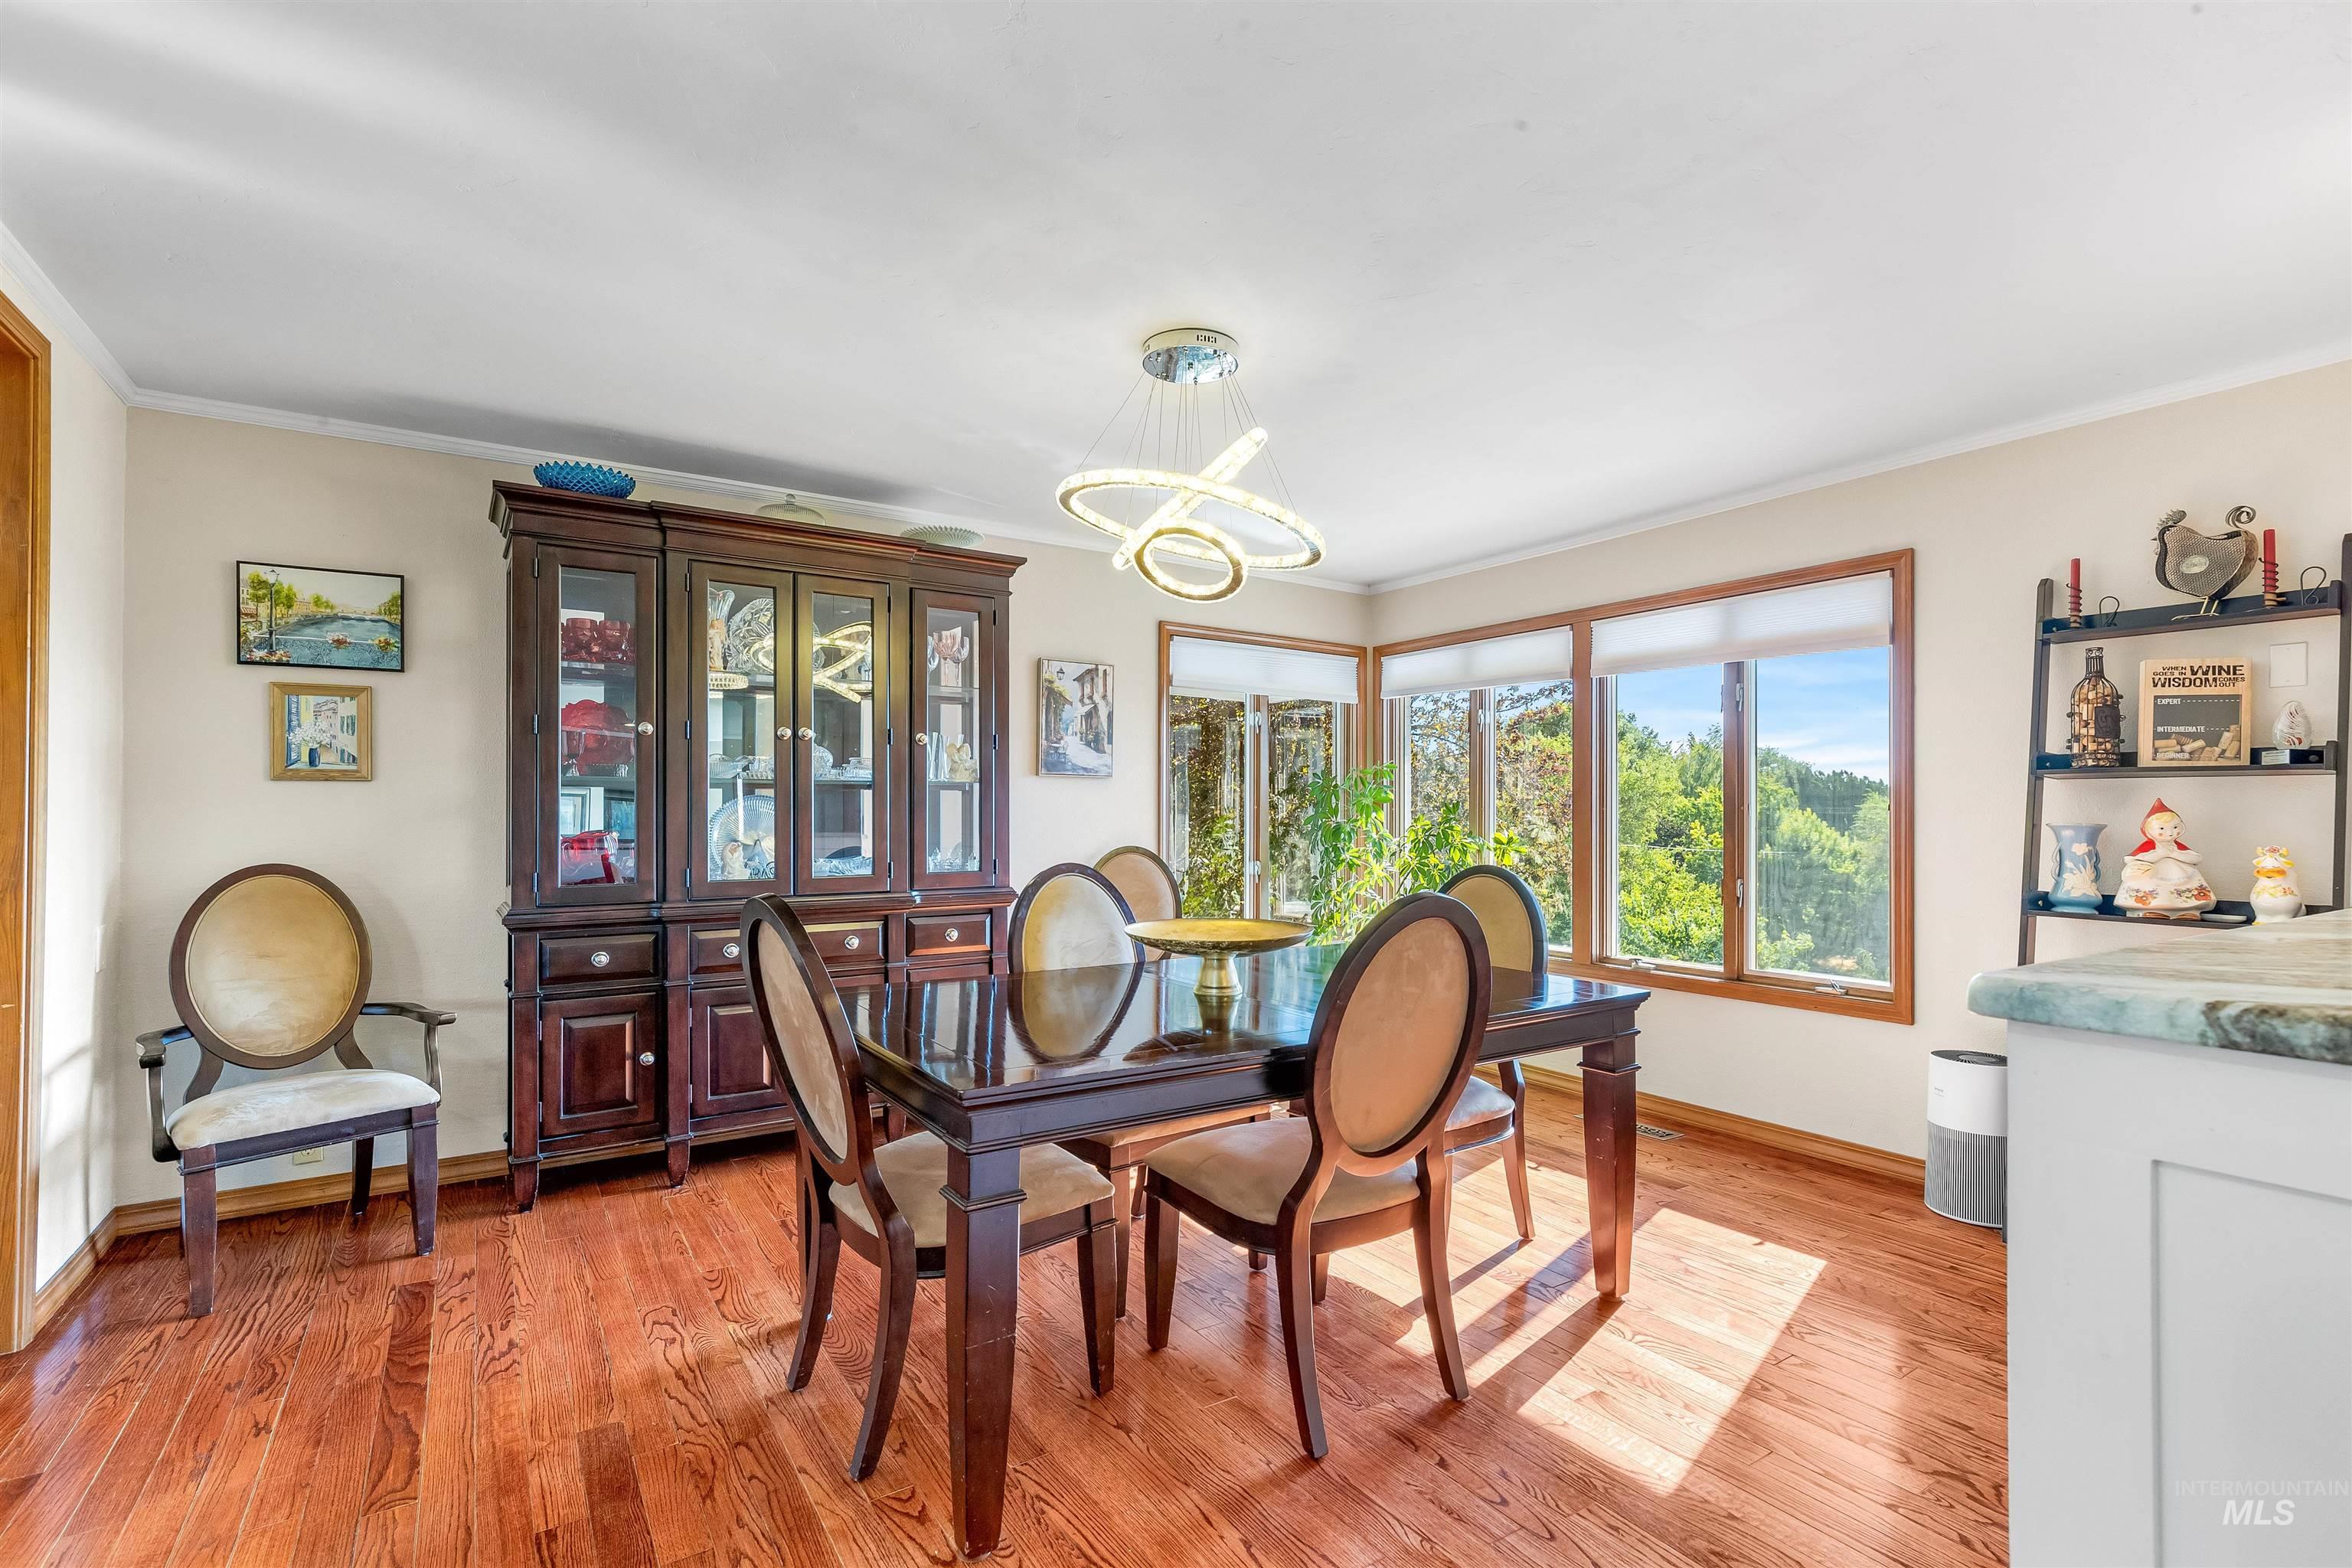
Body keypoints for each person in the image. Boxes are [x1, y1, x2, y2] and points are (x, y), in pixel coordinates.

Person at [2114, 798, 2215, 918]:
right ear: (2149, 830)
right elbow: (2132, 859)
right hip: (2154, 874)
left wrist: (2175, 854)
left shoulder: (2177, 846)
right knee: (2155, 888)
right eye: (2162, 828)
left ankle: (2187, 911)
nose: (2170, 833)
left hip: (2182, 874)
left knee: (2185, 890)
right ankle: (2152, 909)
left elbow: (2196, 858)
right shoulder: (2150, 846)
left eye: (2175, 827)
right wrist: (2160, 854)